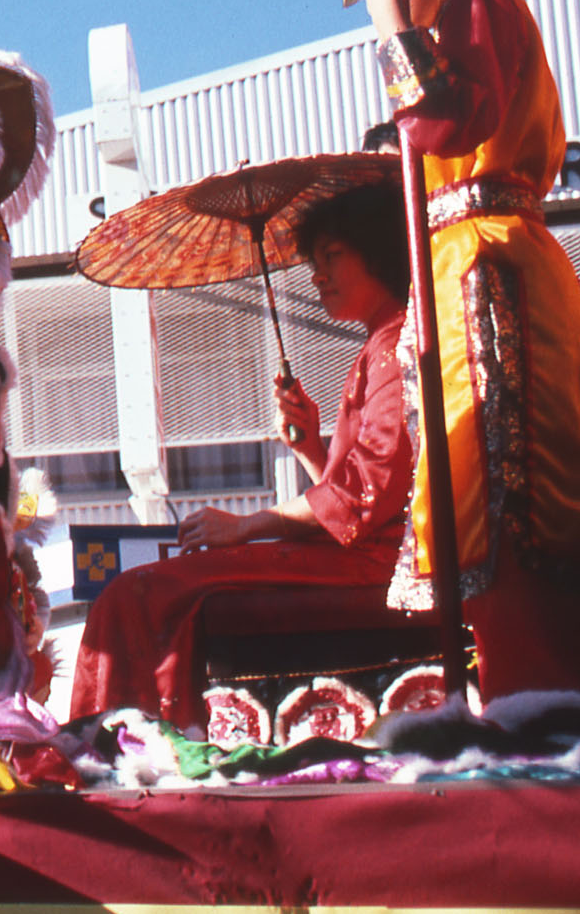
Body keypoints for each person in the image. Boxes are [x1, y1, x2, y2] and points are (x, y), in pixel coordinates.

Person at [350, 0, 580, 698]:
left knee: (505, 499)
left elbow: (443, 126)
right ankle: (526, 698)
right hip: (480, 260)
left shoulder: (477, 4)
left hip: (486, 268)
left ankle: (534, 703)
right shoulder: (480, 12)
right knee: (495, 493)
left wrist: (392, 27)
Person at [68, 184, 414, 725]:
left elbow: (361, 503)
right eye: (314, 261)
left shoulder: (397, 348)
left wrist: (246, 526)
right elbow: (355, 496)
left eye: (333, 257)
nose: (318, 275)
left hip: (375, 565)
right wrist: (309, 447)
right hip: (360, 551)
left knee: (141, 594)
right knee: (139, 591)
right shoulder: (381, 344)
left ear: (380, 252)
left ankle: (134, 740)